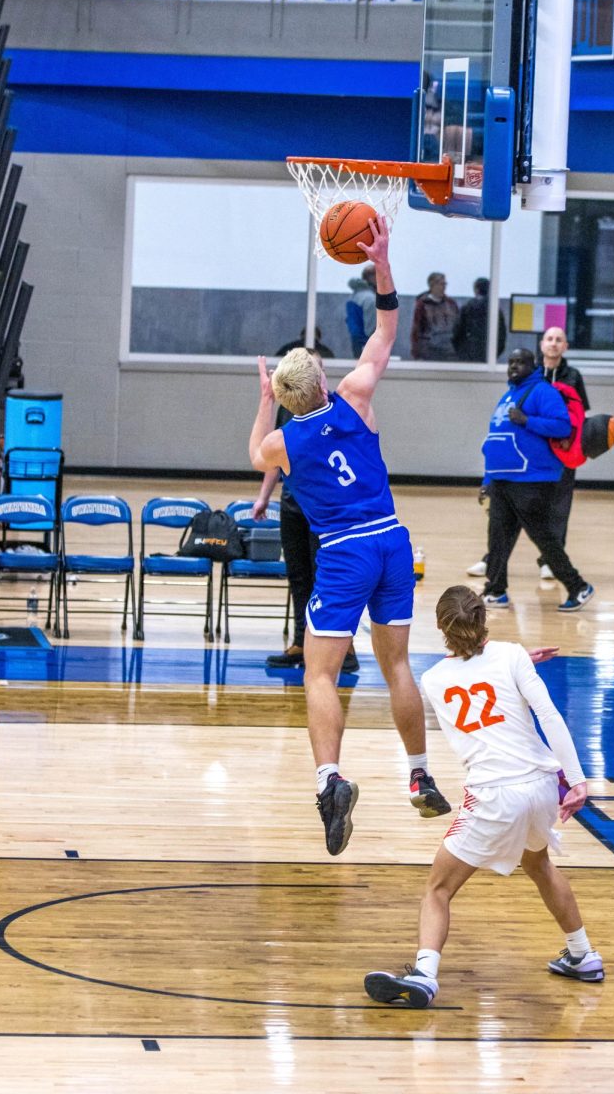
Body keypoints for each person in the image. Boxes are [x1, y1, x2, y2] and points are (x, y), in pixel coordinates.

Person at [249, 216, 451, 856]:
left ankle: (330, 780)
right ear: (323, 379)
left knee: (319, 675)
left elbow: (255, 452)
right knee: (397, 664)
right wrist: (382, 259)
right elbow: (387, 326)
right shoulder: (357, 395)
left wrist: (262, 399)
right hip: (392, 539)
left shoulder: (285, 440)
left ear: (286, 397)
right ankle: (419, 774)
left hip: (343, 552)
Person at [363, 585, 604, 1009]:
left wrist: (511, 665)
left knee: (438, 889)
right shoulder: (511, 656)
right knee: (538, 863)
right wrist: (578, 778)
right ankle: (582, 954)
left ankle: (425, 974)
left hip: (494, 796)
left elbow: (473, 681)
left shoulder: (434, 679)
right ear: (483, 620)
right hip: (542, 788)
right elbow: (547, 715)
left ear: (440, 628)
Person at [252, 351, 358, 675]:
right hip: (292, 503)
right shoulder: (291, 410)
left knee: (324, 577)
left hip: (324, 509)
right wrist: (263, 496)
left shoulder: (338, 410)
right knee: (298, 575)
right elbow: (272, 458)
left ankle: (343, 647)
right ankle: (301, 640)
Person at [481, 349, 594, 613]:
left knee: (542, 536)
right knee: (497, 536)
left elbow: (562, 426)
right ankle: (496, 591)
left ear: (533, 366)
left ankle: (578, 587)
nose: (513, 367)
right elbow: (494, 439)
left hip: (532, 478)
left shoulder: (543, 392)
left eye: (520, 362)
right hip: (502, 479)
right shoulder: (509, 394)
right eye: (510, 362)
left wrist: (528, 420)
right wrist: (488, 478)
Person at [536, 326, 590, 581]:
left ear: (565, 346)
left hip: (563, 451)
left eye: (559, 340)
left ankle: (550, 560)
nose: (554, 343)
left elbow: (581, 414)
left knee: (559, 507)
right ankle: (492, 558)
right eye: (549, 339)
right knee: (521, 505)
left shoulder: (573, 375)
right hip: (533, 451)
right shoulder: (532, 373)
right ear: (542, 344)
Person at [453, 277, 507, 361]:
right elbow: (501, 336)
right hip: (488, 356)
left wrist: (460, 352)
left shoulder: (467, 307)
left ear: (476, 290)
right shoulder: (495, 309)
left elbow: (457, 332)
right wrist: (494, 354)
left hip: (468, 355)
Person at [410, 272, 459, 361]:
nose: (443, 287)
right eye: (441, 284)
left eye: (445, 284)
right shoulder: (422, 305)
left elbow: (458, 326)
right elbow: (416, 330)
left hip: (450, 351)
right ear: (432, 285)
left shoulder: (451, 304)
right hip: (430, 352)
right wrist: (416, 353)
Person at [345, 264, 377, 358]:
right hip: (367, 345)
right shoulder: (370, 299)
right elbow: (370, 329)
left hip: (356, 342)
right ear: (372, 278)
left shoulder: (355, 296)